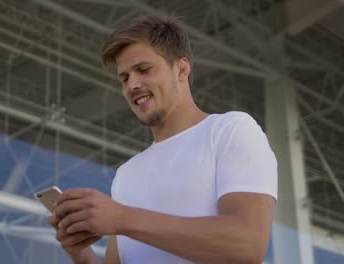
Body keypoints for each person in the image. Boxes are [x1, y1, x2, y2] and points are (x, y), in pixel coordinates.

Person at [48, 15, 277, 264]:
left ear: (182, 68)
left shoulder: (229, 131)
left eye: (143, 70)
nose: (132, 84)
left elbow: (248, 245)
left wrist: (122, 218)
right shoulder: (127, 174)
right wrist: (79, 253)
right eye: (124, 78)